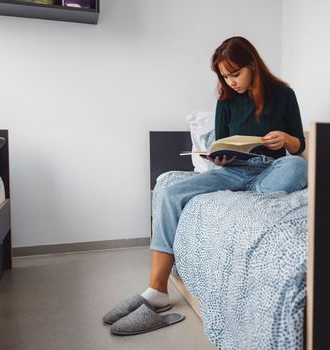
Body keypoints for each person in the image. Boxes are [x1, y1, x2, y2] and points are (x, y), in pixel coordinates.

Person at [103, 36, 308, 335]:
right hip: (233, 172)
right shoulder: (225, 101)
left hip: (270, 170)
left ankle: (254, 195)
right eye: (224, 76)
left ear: (252, 65)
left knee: (297, 166)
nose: (230, 81)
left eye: (234, 74)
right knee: (171, 191)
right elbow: (220, 144)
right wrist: (219, 156)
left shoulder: (284, 94)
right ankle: (157, 290)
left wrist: (287, 140)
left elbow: (299, 144)